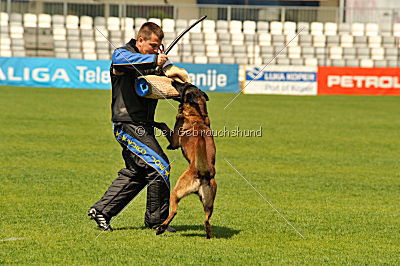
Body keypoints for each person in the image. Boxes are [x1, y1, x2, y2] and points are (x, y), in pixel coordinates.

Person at [88, 22, 189, 231]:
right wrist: (153, 59)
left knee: (138, 172)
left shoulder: (149, 60)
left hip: (144, 126)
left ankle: (102, 211)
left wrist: (176, 76)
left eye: (159, 47)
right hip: (128, 125)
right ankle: (156, 221)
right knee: (160, 165)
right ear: (140, 40)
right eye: (153, 45)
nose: (156, 50)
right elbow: (118, 59)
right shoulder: (124, 55)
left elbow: (163, 77)